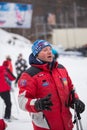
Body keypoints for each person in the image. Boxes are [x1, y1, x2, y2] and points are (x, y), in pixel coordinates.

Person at [18, 39, 85, 130]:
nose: (49, 52)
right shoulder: (29, 75)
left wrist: (75, 101)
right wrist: (36, 104)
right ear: (36, 54)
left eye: (50, 49)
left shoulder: (61, 69)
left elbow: (70, 89)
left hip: (66, 124)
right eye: (45, 50)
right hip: (45, 125)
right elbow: (22, 100)